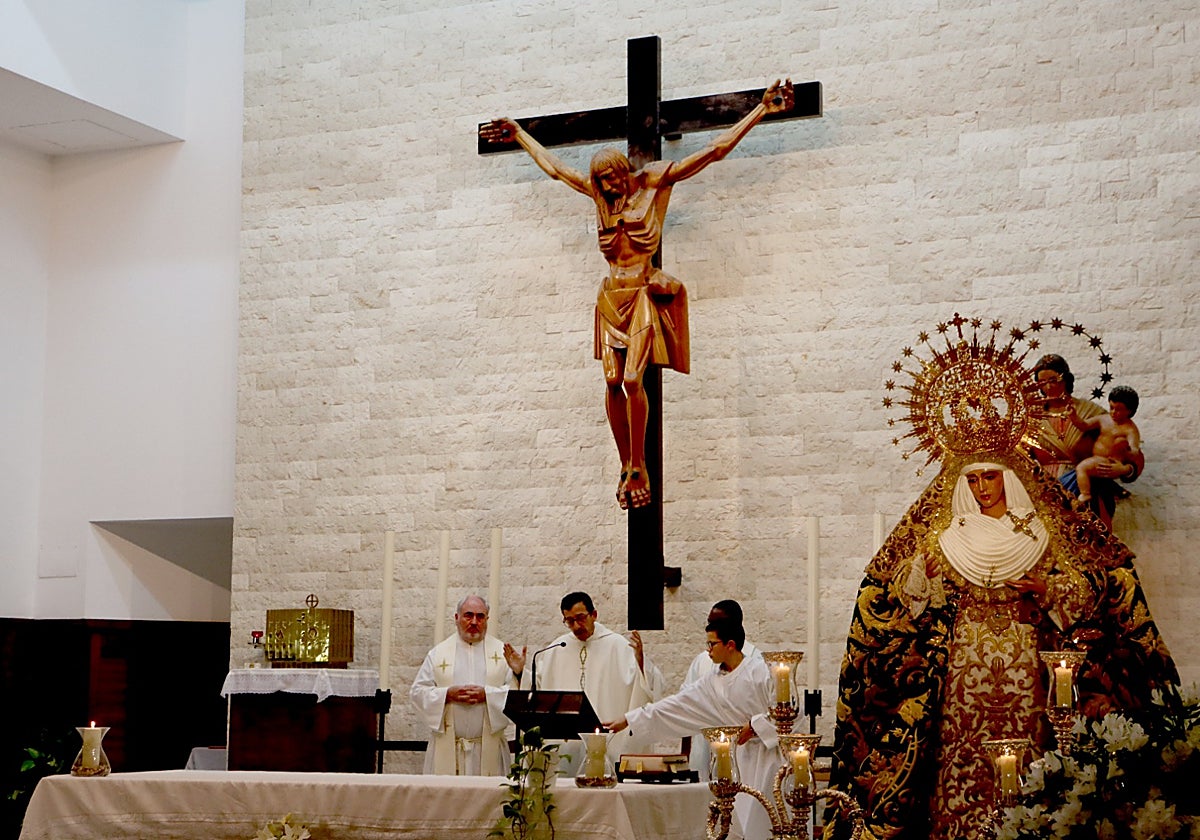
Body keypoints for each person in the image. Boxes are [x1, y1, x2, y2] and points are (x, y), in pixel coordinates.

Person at [826, 323, 1177, 840]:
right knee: (956, 765)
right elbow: (890, 597)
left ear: (1010, 478)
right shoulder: (941, 539)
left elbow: (1103, 586)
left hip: (1028, 669)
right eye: (971, 479)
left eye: (990, 476)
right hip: (961, 672)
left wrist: (1050, 591)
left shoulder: (1048, 532)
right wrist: (922, 584)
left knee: (1033, 770)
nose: (981, 486)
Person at [482, 79, 795, 509]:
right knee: (611, 381)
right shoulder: (599, 198)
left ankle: (640, 463)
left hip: (644, 292)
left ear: (624, 171)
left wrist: (759, 112)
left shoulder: (655, 181)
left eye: (612, 179)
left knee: (633, 379)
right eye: (602, 183)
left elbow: (713, 153)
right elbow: (555, 169)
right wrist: (519, 135)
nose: (608, 188)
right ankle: (624, 464)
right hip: (611, 296)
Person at [605, 618, 779, 840]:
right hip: (737, 762)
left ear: (730, 645)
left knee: (765, 825)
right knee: (736, 826)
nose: (707, 650)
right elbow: (675, 705)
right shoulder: (711, 682)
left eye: (712, 644)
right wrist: (629, 719)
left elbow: (789, 711)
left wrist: (756, 726)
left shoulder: (760, 672)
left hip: (766, 760)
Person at [508, 591, 660, 773]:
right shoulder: (556, 648)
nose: (576, 626)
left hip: (607, 742)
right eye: (569, 621)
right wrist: (519, 673)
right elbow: (538, 691)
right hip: (566, 747)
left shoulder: (619, 646)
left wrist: (641, 663)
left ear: (594, 615)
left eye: (580, 618)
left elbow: (648, 685)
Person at [409, 595, 524, 775]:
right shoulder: (438, 653)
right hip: (448, 748)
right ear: (457, 618)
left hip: (488, 749)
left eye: (480, 616)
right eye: (468, 615)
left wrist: (517, 675)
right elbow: (418, 693)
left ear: (487, 619)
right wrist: (447, 694)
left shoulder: (503, 654)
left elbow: (520, 697)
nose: (474, 621)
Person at [1029, 353, 1143, 528]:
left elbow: (1128, 447)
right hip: (1047, 487)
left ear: (1066, 380)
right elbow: (1021, 456)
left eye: (1054, 380)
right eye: (1042, 383)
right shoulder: (1031, 417)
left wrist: (1125, 469)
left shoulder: (1092, 412)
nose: (1049, 387)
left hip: (1087, 485)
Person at [681, 599, 761, 778]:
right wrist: (684, 753)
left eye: (716, 622)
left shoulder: (756, 661)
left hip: (741, 748)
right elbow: (685, 702)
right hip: (704, 745)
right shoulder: (702, 660)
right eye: (710, 621)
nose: (711, 626)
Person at [1070, 384, 1141, 507]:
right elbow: (1084, 425)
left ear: (1129, 411)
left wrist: (1126, 452)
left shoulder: (1130, 430)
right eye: (1111, 407)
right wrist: (1073, 416)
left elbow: (1135, 451)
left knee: (1082, 468)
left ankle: (1085, 494)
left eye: (1118, 410)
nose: (1113, 413)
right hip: (1092, 459)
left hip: (1108, 461)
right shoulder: (1104, 419)